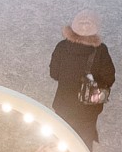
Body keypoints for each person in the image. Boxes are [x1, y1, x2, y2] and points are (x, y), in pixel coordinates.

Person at [48, 12, 113, 144]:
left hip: (63, 105)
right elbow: (109, 77)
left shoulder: (62, 46)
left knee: (60, 141)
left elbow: (54, 73)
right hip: (88, 109)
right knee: (83, 146)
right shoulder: (100, 50)